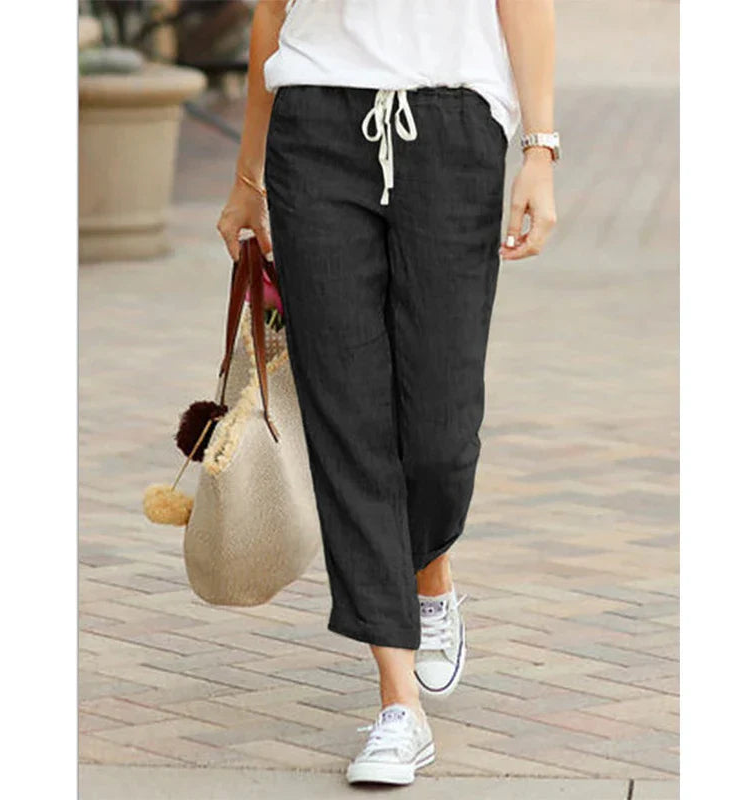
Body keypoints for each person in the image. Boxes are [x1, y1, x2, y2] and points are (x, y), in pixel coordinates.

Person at [217, 0, 558, 785]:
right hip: (315, 122)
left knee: (441, 434)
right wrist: (247, 177)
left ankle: (429, 568)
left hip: (451, 124)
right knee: (346, 414)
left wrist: (540, 149)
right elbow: (271, 13)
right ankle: (398, 701)